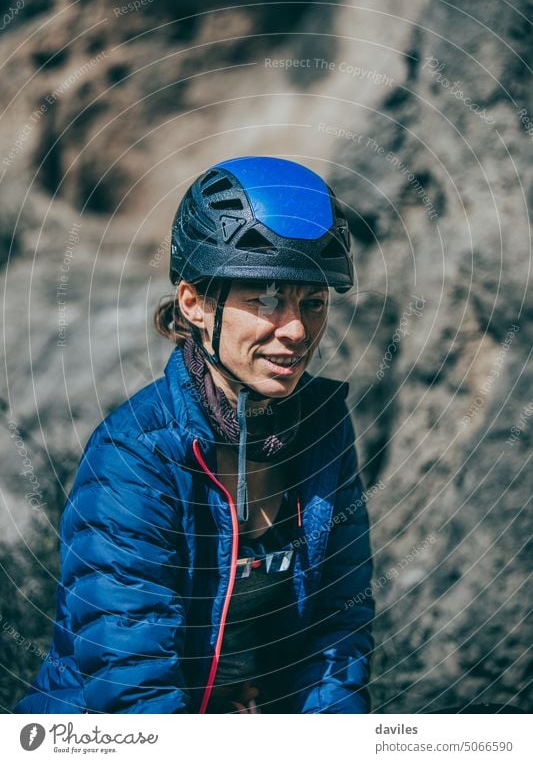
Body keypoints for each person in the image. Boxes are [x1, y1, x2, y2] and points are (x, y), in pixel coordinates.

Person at [15, 155, 374, 715]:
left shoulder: (324, 430)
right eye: (267, 299)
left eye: (314, 302)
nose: (298, 330)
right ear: (195, 303)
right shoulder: (134, 455)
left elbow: (338, 625)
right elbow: (132, 682)